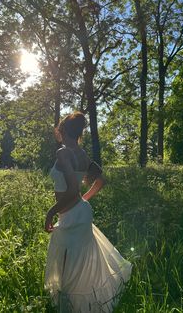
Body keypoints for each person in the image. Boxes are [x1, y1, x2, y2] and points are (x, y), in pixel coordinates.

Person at [44, 111, 132, 312]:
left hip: (72, 214)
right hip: (78, 212)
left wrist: (51, 212)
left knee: (68, 261)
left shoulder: (63, 153)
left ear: (63, 130)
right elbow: (100, 181)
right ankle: (79, 304)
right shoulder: (82, 154)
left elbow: (73, 189)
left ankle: (70, 306)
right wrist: (83, 201)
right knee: (76, 260)